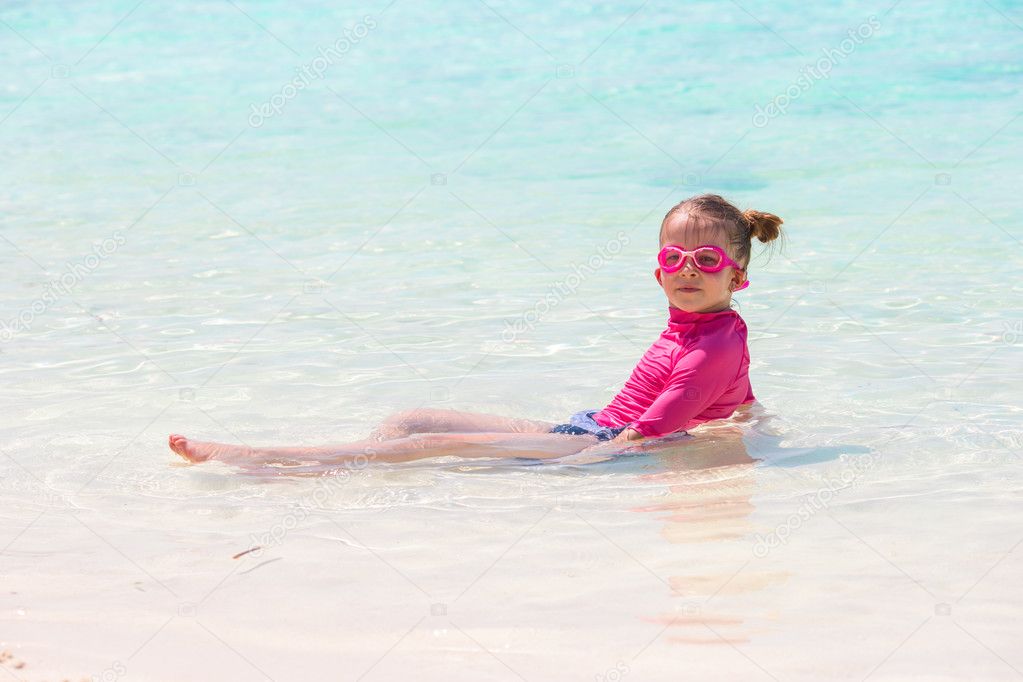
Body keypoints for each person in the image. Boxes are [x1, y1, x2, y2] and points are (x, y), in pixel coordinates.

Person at [168, 194, 783, 467]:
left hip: (617, 444)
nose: (688, 271)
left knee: (420, 447)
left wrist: (567, 468)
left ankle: (264, 460)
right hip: (592, 426)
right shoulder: (686, 325)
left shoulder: (720, 340)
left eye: (706, 261)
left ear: (738, 276)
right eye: (675, 259)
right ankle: (355, 463)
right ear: (657, 272)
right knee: (414, 419)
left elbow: (655, 429)